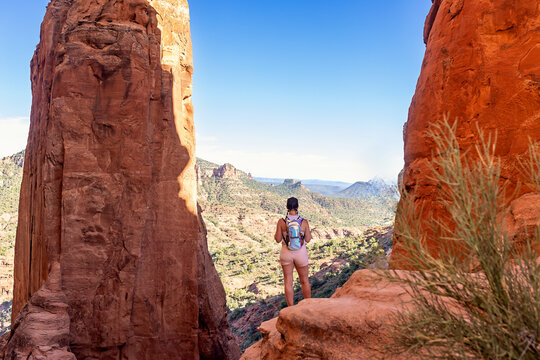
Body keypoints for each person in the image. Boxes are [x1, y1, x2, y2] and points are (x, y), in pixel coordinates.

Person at [274, 197, 312, 306]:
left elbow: (277, 240)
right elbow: (308, 239)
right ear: (297, 207)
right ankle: (308, 305)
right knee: (304, 281)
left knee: (288, 282)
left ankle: (291, 308)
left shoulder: (282, 222)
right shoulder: (303, 222)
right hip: (301, 254)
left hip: (286, 254)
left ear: (286, 207)